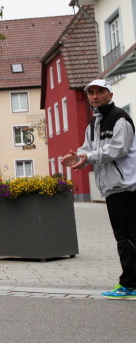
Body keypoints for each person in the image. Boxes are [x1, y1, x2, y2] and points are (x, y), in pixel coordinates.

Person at [62, 79, 136, 300]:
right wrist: (79, 157)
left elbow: (118, 149)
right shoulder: (93, 124)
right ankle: (129, 282)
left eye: (100, 92)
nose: (95, 96)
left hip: (127, 186)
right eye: (91, 93)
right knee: (123, 236)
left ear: (110, 95)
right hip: (111, 188)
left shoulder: (120, 118)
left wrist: (89, 157)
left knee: (128, 237)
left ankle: (130, 285)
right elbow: (88, 149)